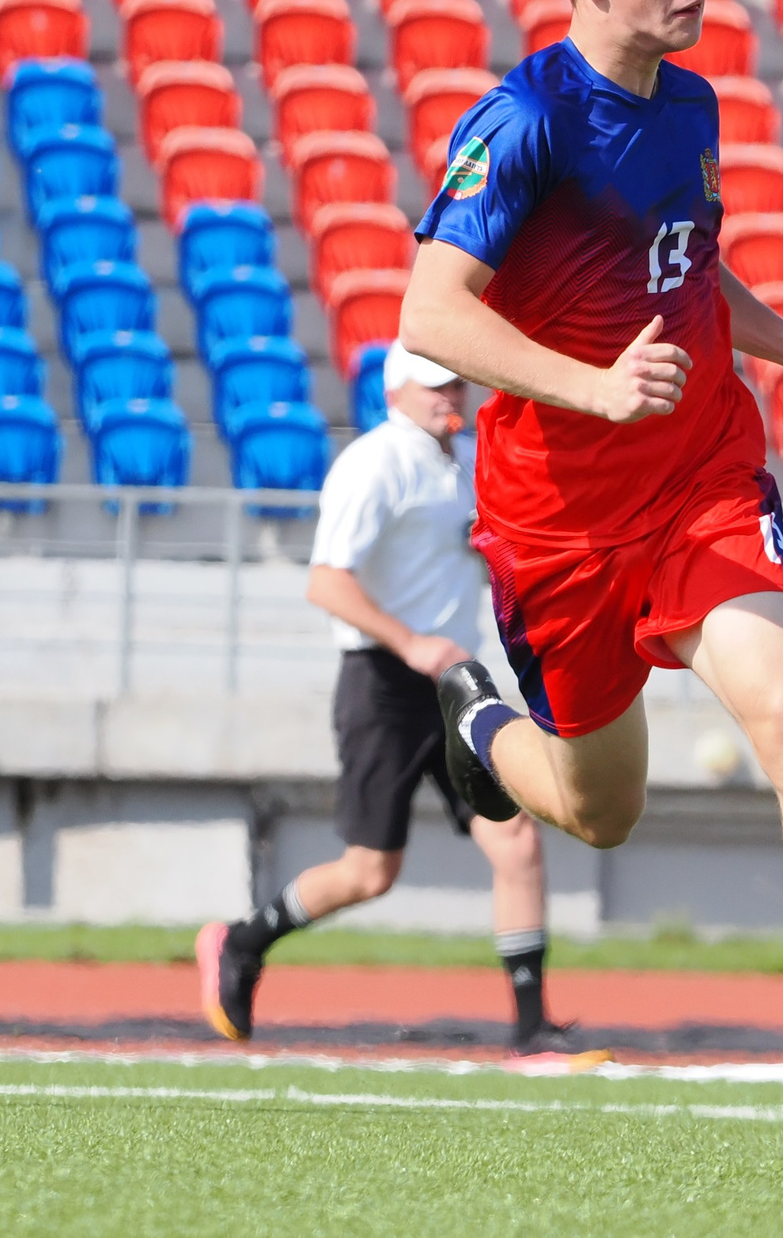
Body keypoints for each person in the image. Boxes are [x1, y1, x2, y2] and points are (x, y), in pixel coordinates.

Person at [397, 0, 783, 1133]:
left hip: (699, 479)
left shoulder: (691, 109)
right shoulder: (521, 124)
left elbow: (684, 270)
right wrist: (587, 387)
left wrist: (780, 344)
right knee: (599, 812)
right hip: (556, 523)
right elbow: (428, 314)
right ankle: (477, 729)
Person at [196, 343, 584, 1058]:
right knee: (370, 870)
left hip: (452, 681)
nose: (451, 395)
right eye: (436, 384)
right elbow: (327, 582)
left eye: (456, 382)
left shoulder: (457, 459)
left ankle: (532, 1027)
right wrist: (411, 643)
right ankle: (242, 940)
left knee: (516, 837)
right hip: (383, 680)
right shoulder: (374, 462)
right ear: (396, 390)